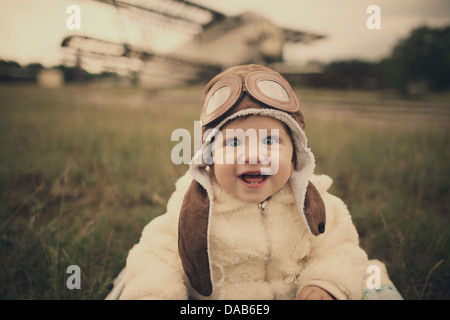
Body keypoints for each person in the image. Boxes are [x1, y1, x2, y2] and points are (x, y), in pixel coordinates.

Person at [119, 64, 368, 300]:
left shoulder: (314, 204)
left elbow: (340, 249)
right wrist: (154, 291)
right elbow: (157, 255)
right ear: (210, 158)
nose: (252, 156)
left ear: (295, 157)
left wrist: (324, 283)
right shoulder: (192, 207)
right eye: (234, 142)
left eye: (270, 141)